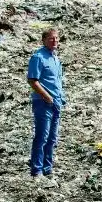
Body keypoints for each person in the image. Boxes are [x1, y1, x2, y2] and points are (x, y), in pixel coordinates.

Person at [26, 27, 66, 185]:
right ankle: (37, 171)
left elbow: (57, 81)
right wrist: (46, 95)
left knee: (52, 138)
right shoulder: (38, 57)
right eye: (51, 38)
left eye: (56, 38)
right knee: (42, 137)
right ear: (43, 40)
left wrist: (60, 98)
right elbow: (32, 80)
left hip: (56, 102)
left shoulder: (55, 58)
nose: (54, 41)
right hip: (43, 102)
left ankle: (48, 169)